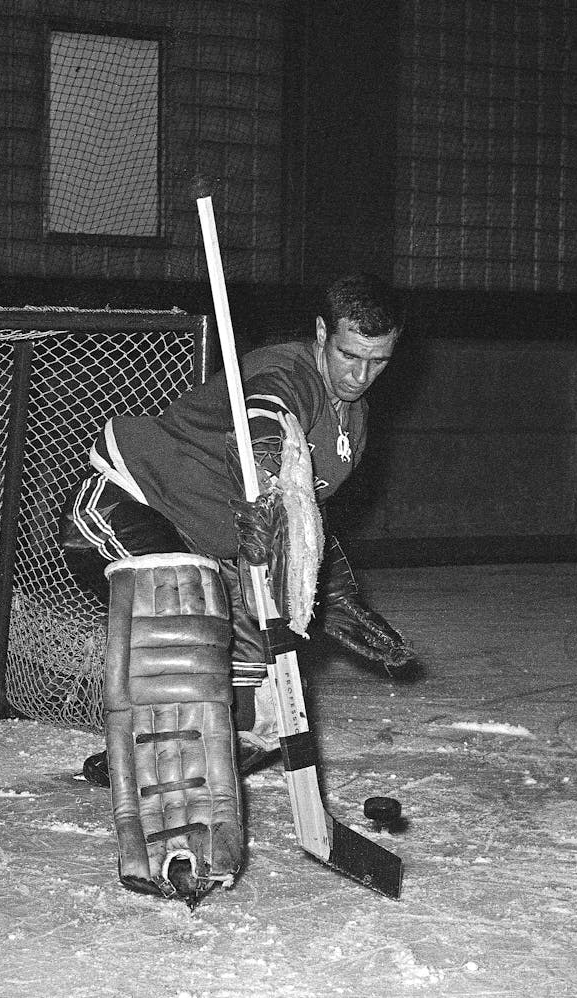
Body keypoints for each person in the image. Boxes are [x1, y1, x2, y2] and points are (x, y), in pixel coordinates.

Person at [55, 273, 417, 901]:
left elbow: (307, 520)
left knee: (259, 697)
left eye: (377, 362)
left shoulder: (352, 423)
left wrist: (331, 589)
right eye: (348, 356)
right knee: (181, 637)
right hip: (127, 502)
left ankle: (168, 758)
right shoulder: (286, 373)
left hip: (209, 544)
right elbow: (266, 420)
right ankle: (171, 834)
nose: (360, 377)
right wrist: (269, 479)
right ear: (321, 335)